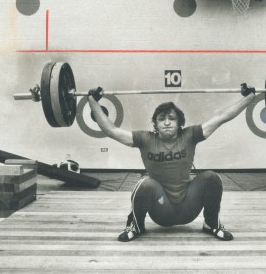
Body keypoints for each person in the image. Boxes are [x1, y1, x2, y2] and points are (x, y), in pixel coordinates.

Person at [87, 84, 255, 242]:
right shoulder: (145, 139)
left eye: (171, 118)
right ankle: (136, 226)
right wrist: (92, 101)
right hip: (161, 209)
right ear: (156, 124)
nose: (166, 122)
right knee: (145, 184)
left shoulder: (190, 135)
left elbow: (221, 117)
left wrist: (249, 98)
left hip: (189, 206)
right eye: (162, 119)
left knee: (211, 177)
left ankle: (211, 223)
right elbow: (111, 130)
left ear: (179, 123)